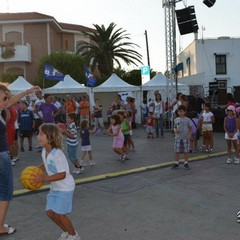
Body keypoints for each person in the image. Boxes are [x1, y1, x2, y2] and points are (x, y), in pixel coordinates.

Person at [0, 84, 40, 236]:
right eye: (4, 97)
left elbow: (12, 101)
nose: (7, 100)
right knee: (5, 191)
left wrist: (27, 91)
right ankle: (1, 227)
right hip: (1, 156)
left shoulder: (2, 109)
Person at [33, 123, 80, 240]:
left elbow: (62, 174)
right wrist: (36, 169)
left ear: (49, 137)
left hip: (65, 188)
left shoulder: (57, 154)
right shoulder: (45, 151)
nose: (38, 136)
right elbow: (46, 164)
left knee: (60, 214)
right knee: (50, 212)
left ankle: (74, 235)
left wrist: (43, 179)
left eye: (40, 134)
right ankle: (67, 232)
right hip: (55, 187)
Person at [171, 104, 192, 169]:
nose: (180, 113)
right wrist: (175, 130)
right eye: (179, 111)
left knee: (186, 151)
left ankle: (186, 162)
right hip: (178, 138)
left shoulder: (187, 120)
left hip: (185, 138)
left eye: (182, 111)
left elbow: (190, 128)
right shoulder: (176, 119)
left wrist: (189, 135)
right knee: (177, 151)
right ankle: (176, 163)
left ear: (185, 112)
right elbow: (174, 127)